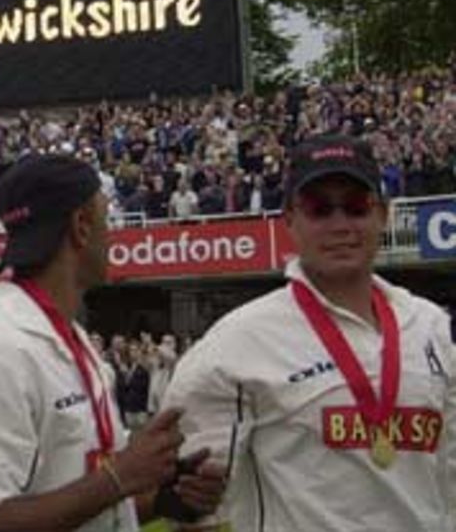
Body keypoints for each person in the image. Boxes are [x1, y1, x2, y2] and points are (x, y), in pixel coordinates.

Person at [162, 134, 456, 530]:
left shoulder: (429, 325)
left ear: (382, 215)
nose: (340, 225)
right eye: (319, 209)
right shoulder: (237, 342)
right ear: (290, 221)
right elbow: (193, 504)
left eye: (355, 207)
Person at [0, 154, 225, 531]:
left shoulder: (72, 340)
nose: (113, 234)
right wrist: (118, 476)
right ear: (82, 226)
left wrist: (166, 499)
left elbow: (84, 500)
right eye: (107, 219)